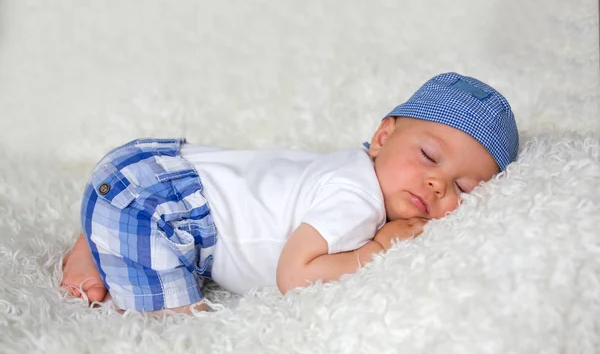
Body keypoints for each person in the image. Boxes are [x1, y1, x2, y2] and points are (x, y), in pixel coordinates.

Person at [61, 72, 519, 315]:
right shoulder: (357, 201)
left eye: (462, 187)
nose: (438, 184)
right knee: (175, 324)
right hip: (151, 202)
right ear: (382, 136)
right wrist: (379, 247)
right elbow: (294, 277)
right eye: (429, 155)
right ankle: (108, 233)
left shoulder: (349, 163)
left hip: (149, 167)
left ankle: (94, 239)